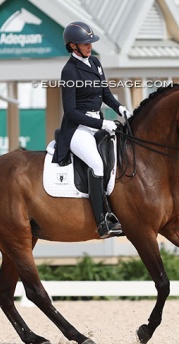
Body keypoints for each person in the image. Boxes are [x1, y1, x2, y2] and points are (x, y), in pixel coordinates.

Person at [52, 21, 132, 239]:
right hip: (78, 128)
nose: (89, 47)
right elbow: (70, 111)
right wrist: (101, 124)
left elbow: (105, 93)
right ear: (73, 46)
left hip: (98, 124)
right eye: (85, 44)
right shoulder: (69, 71)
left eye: (90, 43)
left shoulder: (95, 63)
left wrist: (120, 109)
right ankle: (102, 221)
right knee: (97, 164)